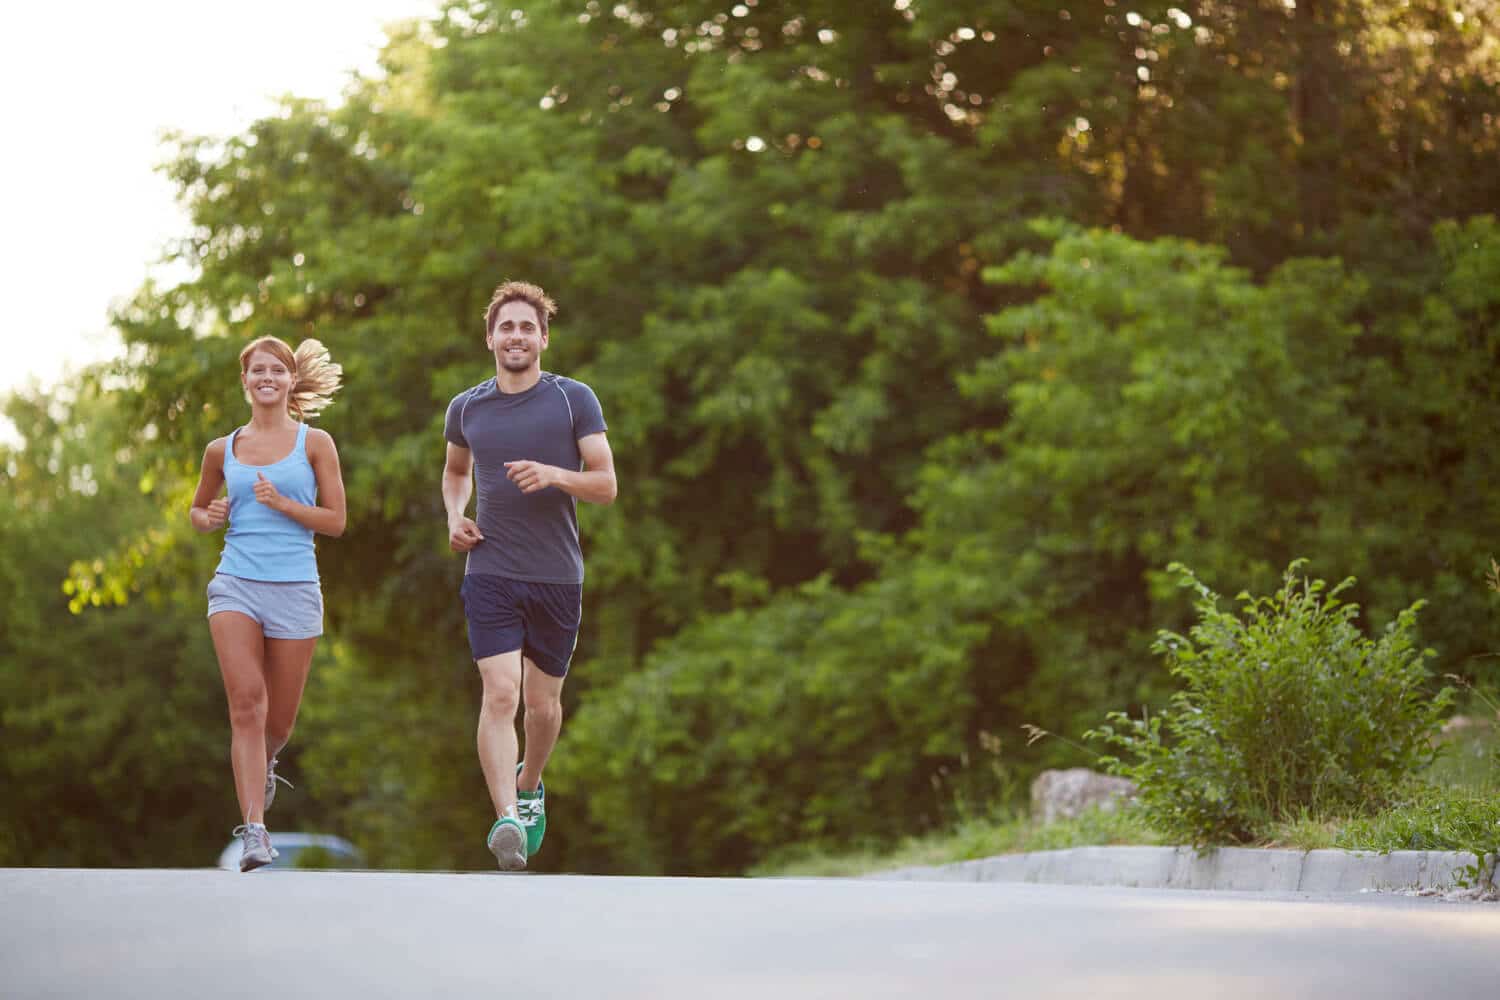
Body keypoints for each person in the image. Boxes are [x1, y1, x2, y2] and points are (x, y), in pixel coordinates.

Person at [442, 280, 616, 871]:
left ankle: (530, 783)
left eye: (526, 327)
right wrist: (455, 515)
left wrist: (554, 474)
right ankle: (507, 820)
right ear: (490, 337)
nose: (515, 336)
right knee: (499, 694)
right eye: (505, 327)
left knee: (542, 708)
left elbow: (606, 485)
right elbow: (455, 471)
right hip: (490, 569)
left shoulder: (573, 401)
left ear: (543, 337)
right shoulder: (466, 407)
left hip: (556, 577)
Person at [190, 336, 346, 872]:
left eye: (277, 370)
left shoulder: (315, 443)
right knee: (247, 704)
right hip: (236, 582)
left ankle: (268, 759)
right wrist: (206, 517)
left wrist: (283, 504)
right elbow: (199, 508)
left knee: (278, 722)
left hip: (296, 588)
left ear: (290, 381)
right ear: (245, 381)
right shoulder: (221, 449)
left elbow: (337, 521)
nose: (267, 378)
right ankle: (255, 830)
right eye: (258, 370)